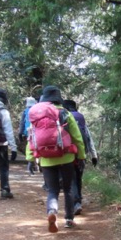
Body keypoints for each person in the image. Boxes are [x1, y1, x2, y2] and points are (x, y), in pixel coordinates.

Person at [26, 86, 85, 232]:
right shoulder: (65, 113)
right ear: (59, 98)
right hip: (66, 157)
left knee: (53, 190)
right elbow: (77, 137)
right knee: (68, 189)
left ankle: (52, 212)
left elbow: (31, 137)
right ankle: (69, 220)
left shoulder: (37, 115)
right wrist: (82, 156)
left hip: (46, 158)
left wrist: (30, 158)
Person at [63, 99, 98, 215]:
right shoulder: (81, 118)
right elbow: (88, 137)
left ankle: (76, 202)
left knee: (71, 177)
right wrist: (94, 155)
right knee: (78, 177)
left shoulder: (64, 117)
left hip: (69, 152)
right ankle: (78, 200)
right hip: (82, 152)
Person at [18, 97, 39, 174]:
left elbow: (22, 123)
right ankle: (35, 165)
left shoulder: (25, 111)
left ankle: (30, 164)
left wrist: (20, 133)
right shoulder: (38, 110)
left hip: (28, 132)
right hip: (38, 131)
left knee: (30, 146)